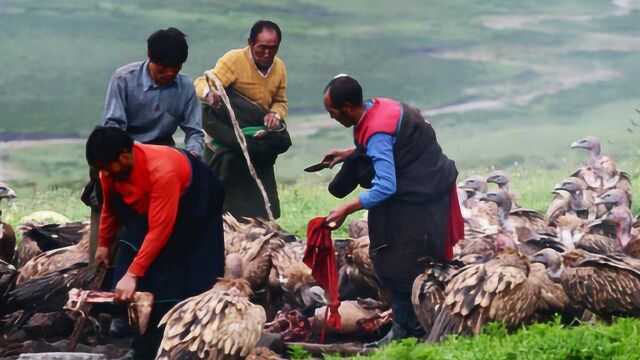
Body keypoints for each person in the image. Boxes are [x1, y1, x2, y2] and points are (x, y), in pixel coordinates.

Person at [321, 75, 463, 345]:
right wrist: (350, 153)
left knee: (398, 257)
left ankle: (407, 329)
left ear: (349, 106)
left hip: (422, 194)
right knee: (397, 250)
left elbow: (386, 186)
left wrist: (347, 208)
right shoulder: (379, 106)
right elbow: (387, 142)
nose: (332, 118)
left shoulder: (376, 131)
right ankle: (407, 327)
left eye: (334, 112)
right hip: (423, 184)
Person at [87, 126, 225, 359]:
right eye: (101, 168)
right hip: (151, 203)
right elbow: (110, 208)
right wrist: (103, 243)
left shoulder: (162, 171)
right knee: (139, 248)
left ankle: (183, 334)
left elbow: (160, 229)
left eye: (107, 167)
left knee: (190, 268)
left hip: (197, 199)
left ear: (124, 155)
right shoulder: (108, 171)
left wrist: (132, 274)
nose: (105, 172)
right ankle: (131, 321)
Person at [193, 20, 291, 219]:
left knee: (260, 205)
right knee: (222, 198)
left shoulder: (279, 68)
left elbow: (280, 101)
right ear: (250, 42)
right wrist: (210, 94)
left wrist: (275, 114)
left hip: (256, 141)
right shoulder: (234, 60)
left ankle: (259, 230)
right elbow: (202, 82)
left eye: (273, 49)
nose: (267, 54)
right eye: (262, 48)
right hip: (230, 137)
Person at [103, 27, 203, 155]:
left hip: (165, 154)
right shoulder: (123, 79)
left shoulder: (185, 86)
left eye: (176, 67)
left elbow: (194, 131)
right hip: (127, 151)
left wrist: (193, 154)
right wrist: (141, 151)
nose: (170, 73)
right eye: (164, 67)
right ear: (150, 55)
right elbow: (113, 126)